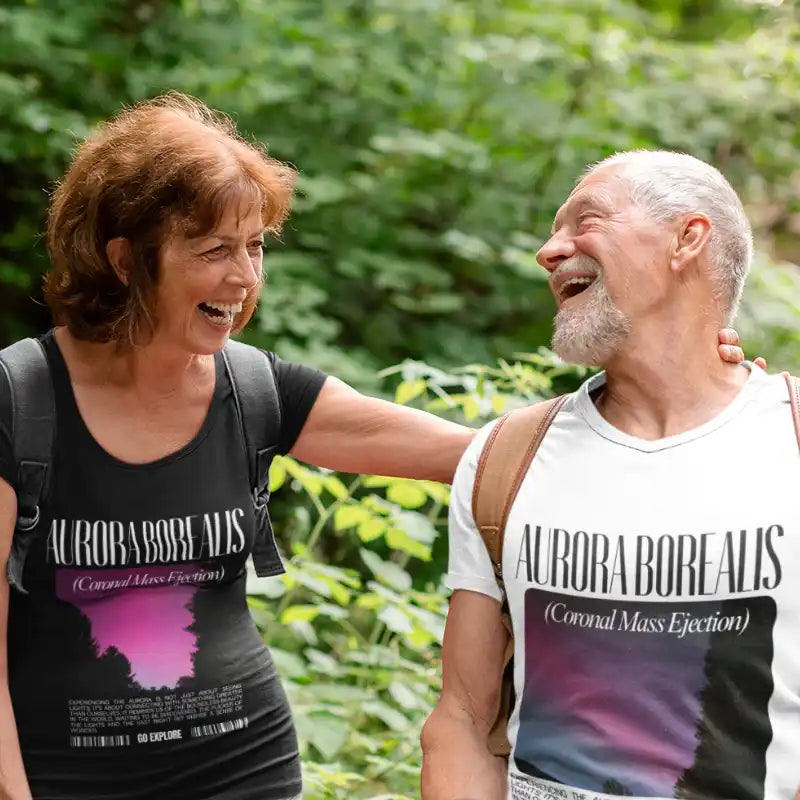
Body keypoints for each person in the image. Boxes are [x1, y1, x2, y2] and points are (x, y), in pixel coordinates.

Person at [0, 95, 749, 800]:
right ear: (126, 258)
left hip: (244, 770)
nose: (244, 277)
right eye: (213, 249)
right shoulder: (22, 399)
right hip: (59, 776)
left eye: (256, 246)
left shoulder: (256, 392)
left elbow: (489, 457)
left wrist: (684, 390)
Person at [421, 150, 799, 800]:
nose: (548, 251)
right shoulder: (505, 459)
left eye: (584, 221)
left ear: (688, 238)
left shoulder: (788, 440)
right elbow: (460, 720)